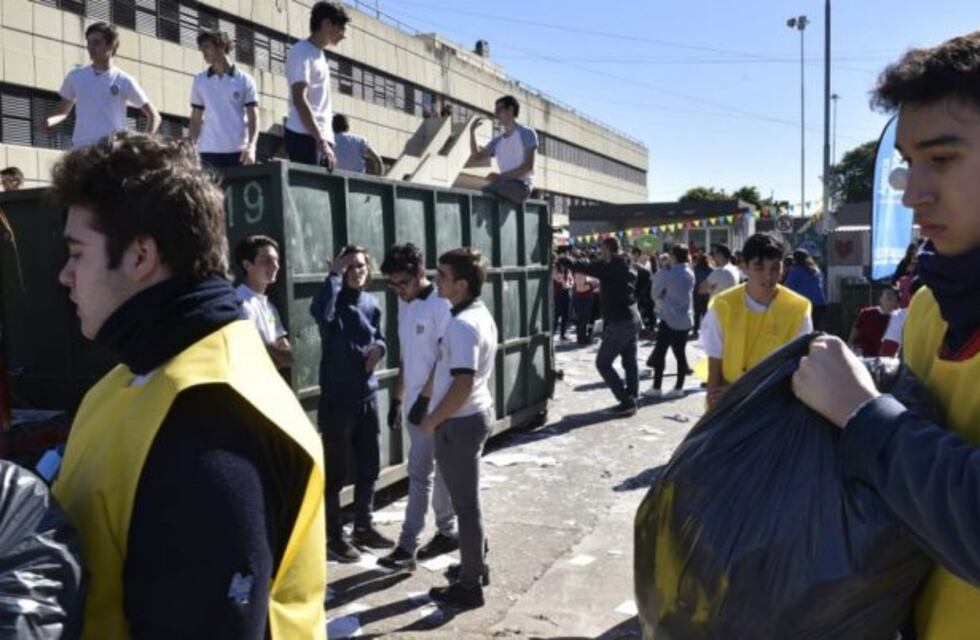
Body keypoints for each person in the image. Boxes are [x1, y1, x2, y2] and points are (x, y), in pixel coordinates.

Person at [49, 133, 326, 639]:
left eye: (77, 253)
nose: (64, 275)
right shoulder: (134, 376)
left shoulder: (210, 423)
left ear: (140, 257)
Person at [793, 31, 980, 639]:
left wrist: (861, 413)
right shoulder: (927, 309)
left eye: (944, 158)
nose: (915, 192)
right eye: (908, 163)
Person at [422, 248, 498, 609]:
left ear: (462, 285)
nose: (437, 281)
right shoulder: (475, 313)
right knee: (468, 503)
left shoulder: (463, 325)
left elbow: (462, 383)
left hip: (460, 421)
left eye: (443, 276)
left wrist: (434, 419)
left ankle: (470, 585)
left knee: (465, 507)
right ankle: (474, 566)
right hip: (472, 416)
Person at [377, 244, 458, 572]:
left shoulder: (440, 304)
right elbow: (407, 356)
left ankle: (407, 546)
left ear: (420, 273)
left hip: (434, 406)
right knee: (434, 475)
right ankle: (447, 530)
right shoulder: (405, 304)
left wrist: (423, 401)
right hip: (413, 404)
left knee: (419, 476)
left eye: (402, 283)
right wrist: (398, 399)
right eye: (392, 284)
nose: (398, 290)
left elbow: (444, 358)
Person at [310, 245, 392, 561]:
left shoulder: (371, 303)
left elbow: (380, 337)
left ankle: (363, 526)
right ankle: (334, 535)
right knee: (336, 471)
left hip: (367, 397)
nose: (356, 272)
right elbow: (320, 312)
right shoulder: (333, 301)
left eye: (360, 266)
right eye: (349, 267)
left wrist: (380, 351)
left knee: (369, 466)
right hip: (337, 401)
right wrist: (333, 275)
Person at [700, 233, 813, 408]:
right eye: (759, 267)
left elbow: (800, 370)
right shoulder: (723, 306)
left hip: (776, 407)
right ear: (744, 267)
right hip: (730, 406)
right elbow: (714, 368)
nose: (768, 276)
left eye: (775, 268)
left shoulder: (797, 308)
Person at [45, 23, 160, 148]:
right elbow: (62, 112)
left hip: (111, 152)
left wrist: (142, 146)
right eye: (88, 43)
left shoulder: (124, 80)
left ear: (112, 45)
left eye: (96, 43)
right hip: (81, 150)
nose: (90, 47)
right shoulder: (75, 76)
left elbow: (154, 117)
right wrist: (49, 121)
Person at [561, 237, 641, 417]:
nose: (599, 252)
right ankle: (633, 397)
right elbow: (643, 279)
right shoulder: (627, 262)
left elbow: (588, 267)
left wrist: (567, 261)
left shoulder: (612, 265)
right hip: (632, 317)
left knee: (603, 363)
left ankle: (626, 401)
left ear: (608, 249)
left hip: (620, 321)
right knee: (630, 362)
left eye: (601, 248)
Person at [285, 1, 349, 170]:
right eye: (341, 28)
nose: (344, 35)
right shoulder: (301, 51)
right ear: (326, 23)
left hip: (319, 137)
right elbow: (300, 99)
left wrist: (325, 139)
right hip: (305, 136)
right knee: (308, 195)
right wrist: (320, 140)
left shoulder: (319, 54)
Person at [189, 30, 259, 169]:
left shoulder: (245, 80)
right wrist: (190, 147)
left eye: (207, 46)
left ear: (221, 46)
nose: (203, 52)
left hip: (239, 153)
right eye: (201, 48)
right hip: (207, 153)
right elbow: (196, 118)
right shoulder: (199, 80)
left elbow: (253, 117)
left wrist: (252, 147)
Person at [234, 236, 293, 369]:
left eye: (276, 260)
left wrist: (282, 346)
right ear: (247, 265)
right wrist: (280, 354)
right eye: (267, 261)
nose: (276, 266)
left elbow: (282, 346)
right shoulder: (239, 302)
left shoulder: (270, 307)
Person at [644, 244, 695, 399]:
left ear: (673, 256)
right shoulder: (689, 272)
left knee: (660, 353)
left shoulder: (668, 274)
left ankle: (657, 387)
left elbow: (654, 294)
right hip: (685, 318)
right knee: (680, 354)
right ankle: (679, 387)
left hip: (668, 318)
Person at [469, 95, 538, 204]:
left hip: (521, 186)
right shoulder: (498, 141)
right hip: (505, 184)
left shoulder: (526, 133)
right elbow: (477, 156)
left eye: (499, 110)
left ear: (510, 110)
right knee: (484, 192)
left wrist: (500, 177)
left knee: (485, 192)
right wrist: (472, 132)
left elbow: (528, 167)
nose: (496, 114)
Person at [848, 287, 900, 357]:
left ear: (896, 302)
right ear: (880, 299)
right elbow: (856, 329)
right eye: (887, 293)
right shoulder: (867, 313)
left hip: (887, 355)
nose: (889, 296)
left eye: (892, 295)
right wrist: (849, 344)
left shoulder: (898, 318)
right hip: (866, 353)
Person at [784, 249, 828, 330]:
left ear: (795, 259)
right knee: (815, 328)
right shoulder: (816, 269)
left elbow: (786, 288)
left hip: (808, 304)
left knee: (804, 329)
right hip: (821, 304)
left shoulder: (796, 271)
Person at [632, 247, 655, 337]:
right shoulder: (637, 263)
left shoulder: (645, 263)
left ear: (637, 254)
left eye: (633, 254)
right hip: (640, 290)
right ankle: (644, 328)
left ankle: (650, 328)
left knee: (649, 309)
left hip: (647, 289)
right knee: (642, 309)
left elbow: (647, 275)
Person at [571, 267, 597, 346]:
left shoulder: (584, 274)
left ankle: (583, 337)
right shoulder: (579, 273)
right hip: (582, 300)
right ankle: (581, 338)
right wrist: (591, 285)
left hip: (586, 299)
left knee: (585, 319)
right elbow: (580, 287)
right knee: (581, 319)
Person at [692, 252, 713, 337]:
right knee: (705, 312)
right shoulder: (711, 270)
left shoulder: (696, 269)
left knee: (697, 313)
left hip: (697, 293)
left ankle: (695, 329)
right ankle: (706, 329)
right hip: (707, 293)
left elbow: (694, 282)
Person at [552, 258, 573, 341]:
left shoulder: (567, 270)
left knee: (566, 315)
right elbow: (555, 277)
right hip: (558, 294)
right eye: (563, 265)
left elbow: (571, 279)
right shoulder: (555, 268)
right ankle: (552, 333)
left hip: (566, 293)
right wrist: (564, 281)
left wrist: (570, 283)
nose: (564, 267)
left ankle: (563, 334)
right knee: (556, 315)